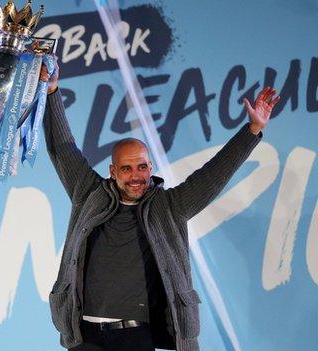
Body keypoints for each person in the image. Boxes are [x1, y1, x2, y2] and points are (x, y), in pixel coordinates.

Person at [39, 61, 279, 351]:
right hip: (85, 336)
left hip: (136, 337)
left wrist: (251, 130)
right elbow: (63, 147)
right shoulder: (88, 193)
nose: (136, 176)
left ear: (150, 166)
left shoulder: (169, 206)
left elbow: (213, 175)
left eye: (142, 166)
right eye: (126, 169)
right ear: (113, 172)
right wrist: (51, 92)